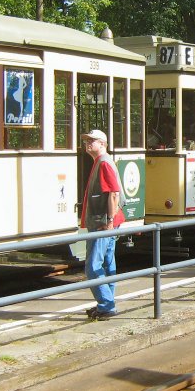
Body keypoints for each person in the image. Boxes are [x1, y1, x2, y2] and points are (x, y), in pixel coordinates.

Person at [81, 129, 125, 320]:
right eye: (86, 140)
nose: (88, 143)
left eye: (92, 140)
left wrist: (108, 221)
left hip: (102, 223)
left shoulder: (104, 163)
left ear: (103, 143)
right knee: (107, 264)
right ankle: (107, 303)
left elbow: (113, 193)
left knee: (92, 266)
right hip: (106, 222)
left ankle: (107, 305)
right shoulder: (101, 161)